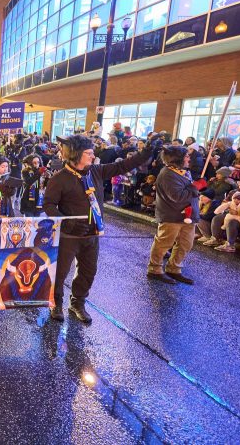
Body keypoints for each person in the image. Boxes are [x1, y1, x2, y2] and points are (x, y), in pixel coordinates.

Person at [44, 134, 156, 324]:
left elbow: (123, 166)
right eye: (88, 153)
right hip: (69, 236)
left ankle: (77, 303)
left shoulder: (95, 171)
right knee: (60, 272)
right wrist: (66, 221)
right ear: (76, 154)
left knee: (89, 271)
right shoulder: (60, 179)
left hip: (92, 234)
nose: (92, 155)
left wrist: (147, 152)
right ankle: (56, 303)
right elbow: (48, 205)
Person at [147, 146, 199, 285]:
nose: (189, 158)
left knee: (185, 244)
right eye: (186, 156)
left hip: (188, 216)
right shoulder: (168, 174)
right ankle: (155, 269)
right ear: (177, 159)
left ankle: (174, 268)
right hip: (172, 215)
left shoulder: (183, 172)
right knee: (164, 243)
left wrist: (193, 188)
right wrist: (194, 189)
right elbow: (177, 196)